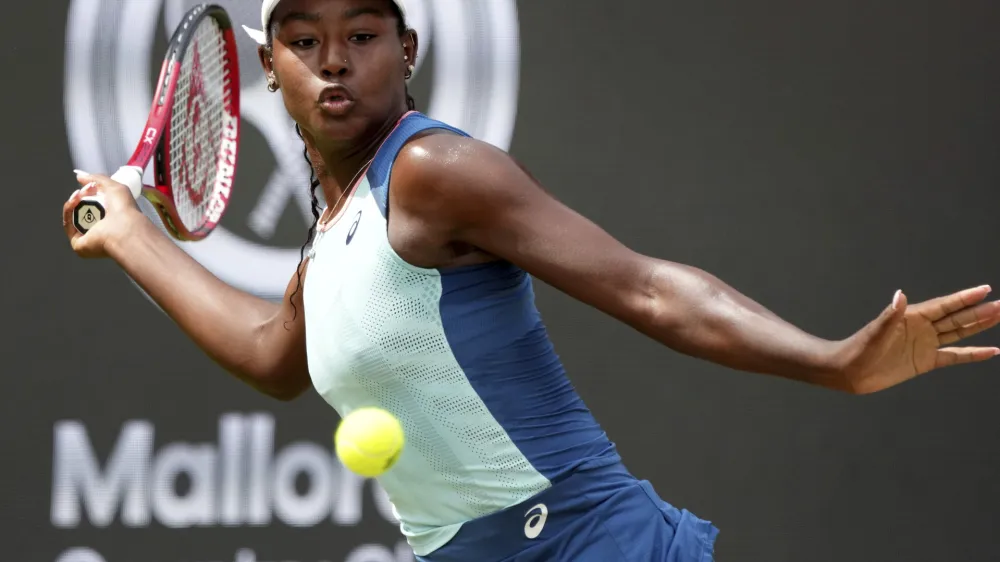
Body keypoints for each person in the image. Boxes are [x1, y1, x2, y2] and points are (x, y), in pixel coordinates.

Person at [62, 0, 1000, 560]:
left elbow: (647, 287)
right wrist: (134, 239)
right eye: (303, 40)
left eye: (363, 32)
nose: (334, 59)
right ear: (269, 68)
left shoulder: (433, 174)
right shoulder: (331, 237)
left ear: (408, 50)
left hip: (589, 543)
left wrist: (831, 361)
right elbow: (275, 356)